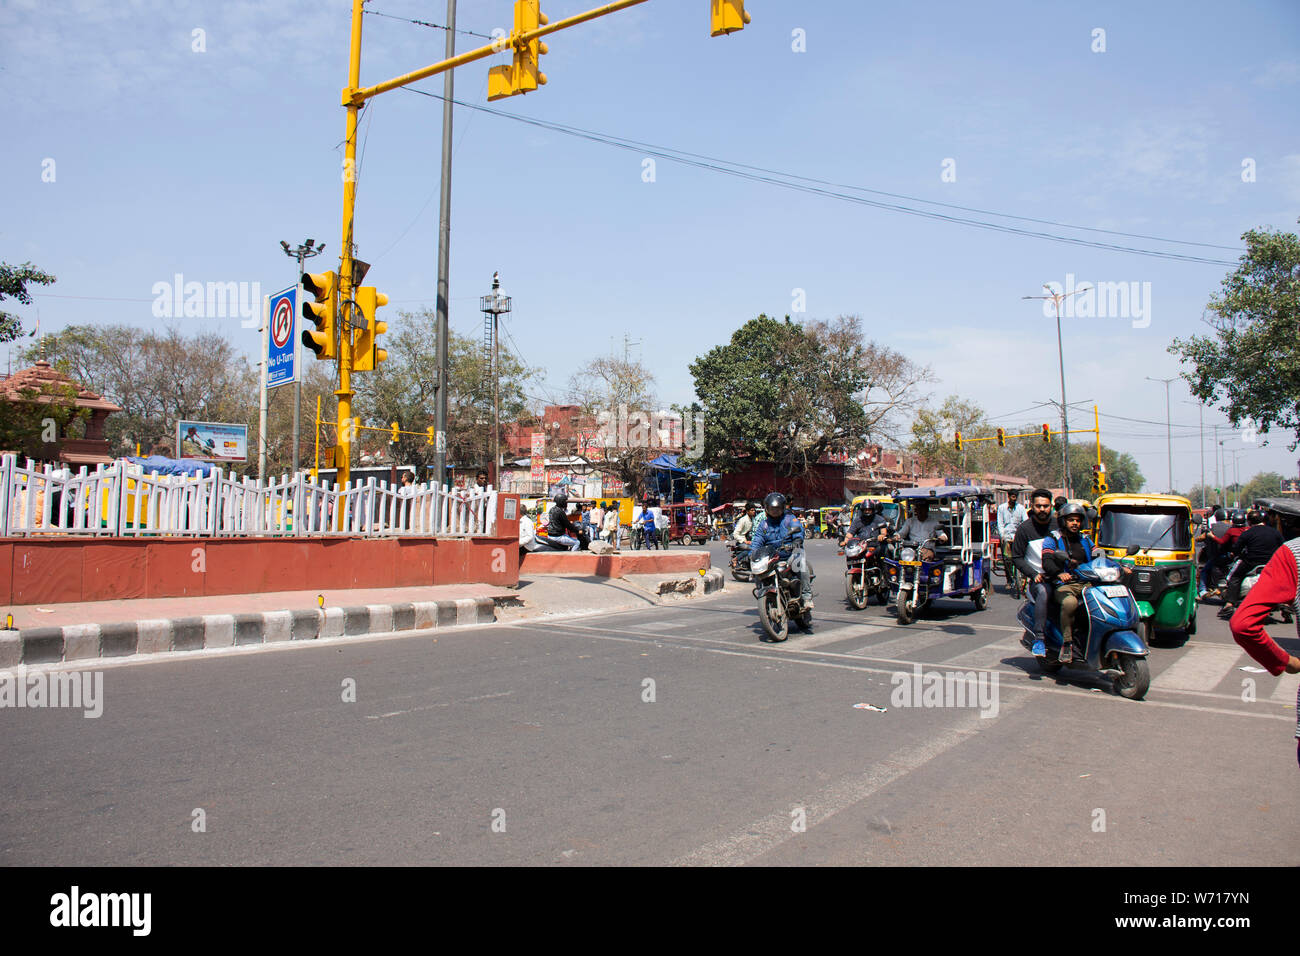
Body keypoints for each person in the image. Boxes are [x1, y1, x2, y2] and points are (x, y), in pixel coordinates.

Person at [1229, 503, 1300, 768]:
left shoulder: (1291, 552)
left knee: (1234, 579)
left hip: (1258, 568)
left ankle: (1227, 601)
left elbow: (1243, 625)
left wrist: (1285, 662)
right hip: (1269, 567)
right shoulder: (1278, 541)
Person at [1041, 502, 1102, 664]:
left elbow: (1099, 556)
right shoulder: (1052, 539)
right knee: (1070, 603)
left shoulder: (1085, 539)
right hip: (1064, 585)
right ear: (1063, 521)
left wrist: (1120, 567)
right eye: (1071, 520)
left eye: (1077, 520)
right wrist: (1060, 573)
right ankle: (1067, 643)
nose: (1075, 523)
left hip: (1086, 583)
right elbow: (1046, 561)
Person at [1012, 488, 1059, 658]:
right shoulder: (1025, 529)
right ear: (1032, 506)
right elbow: (1016, 557)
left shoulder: (1058, 526)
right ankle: (1039, 638)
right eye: (1038, 506)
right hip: (1039, 579)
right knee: (1044, 593)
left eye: (1045, 506)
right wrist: (1033, 574)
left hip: (1060, 576)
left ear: (1051, 506)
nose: (1042, 510)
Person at [750, 492, 814, 609]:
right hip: (772, 558)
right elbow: (757, 541)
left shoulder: (789, 519)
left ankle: (806, 596)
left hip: (789, 554)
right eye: (771, 509)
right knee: (757, 573)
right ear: (767, 509)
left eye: (777, 509)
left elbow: (798, 531)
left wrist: (797, 541)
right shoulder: (764, 525)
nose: (774, 512)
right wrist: (752, 554)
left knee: (800, 563)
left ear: (782, 508)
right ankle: (762, 593)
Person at [1219, 510, 1285, 618]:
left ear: (1249, 522)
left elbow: (1236, 548)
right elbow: (1283, 546)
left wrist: (1232, 553)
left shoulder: (1247, 533)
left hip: (1251, 563)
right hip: (1271, 563)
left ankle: (1229, 603)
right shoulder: (1274, 532)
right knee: (1283, 579)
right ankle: (1285, 603)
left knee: (1235, 577)